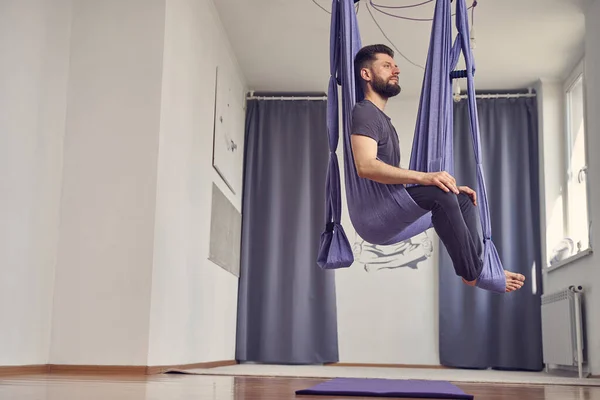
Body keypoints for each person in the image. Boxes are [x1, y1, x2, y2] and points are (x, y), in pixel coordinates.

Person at [350, 44, 525, 293]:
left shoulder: (381, 119)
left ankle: (476, 266)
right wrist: (427, 178)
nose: (396, 69)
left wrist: (439, 185)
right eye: (387, 66)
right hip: (375, 218)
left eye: (395, 65)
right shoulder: (365, 112)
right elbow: (366, 166)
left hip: (390, 217)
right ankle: (472, 274)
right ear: (366, 75)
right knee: (441, 191)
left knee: (461, 197)